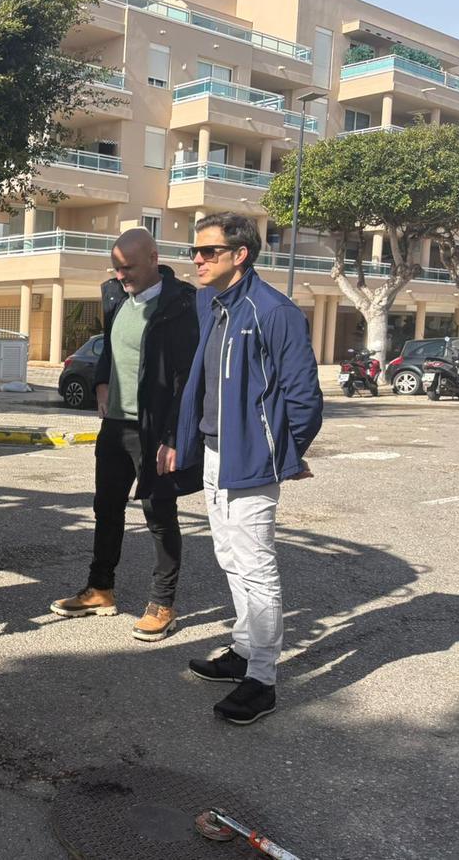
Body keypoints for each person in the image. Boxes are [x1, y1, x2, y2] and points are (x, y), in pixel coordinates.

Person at [174, 212, 323, 724]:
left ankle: (262, 680)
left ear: (239, 255)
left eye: (208, 251)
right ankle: (242, 650)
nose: (197, 259)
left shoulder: (274, 311)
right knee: (230, 556)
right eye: (195, 251)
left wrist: (282, 454)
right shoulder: (213, 304)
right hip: (217, 452)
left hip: (251, 459)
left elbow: (304, 397)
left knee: (256, 566)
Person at [49, 229, 200, 641]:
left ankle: (162, 603)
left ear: (154, 258)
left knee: (159, 515)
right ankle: (100, 590)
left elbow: (187, 379)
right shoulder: (116, 296)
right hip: (115, 426)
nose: (121, 275)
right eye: (116, 267)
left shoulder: (180, 304)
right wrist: (101, 381)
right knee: (106, 509)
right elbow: (112, 349)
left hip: (153, 429)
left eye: (128, 267)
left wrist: (173, 436)